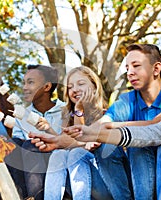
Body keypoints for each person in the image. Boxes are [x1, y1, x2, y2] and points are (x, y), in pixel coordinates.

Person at [30, 44, 161, 200]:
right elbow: (101, 125)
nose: (130, 73)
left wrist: (106, 130)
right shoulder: (126, 100)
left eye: (136, 66)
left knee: (137, 140)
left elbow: (159, 125)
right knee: (100, 146)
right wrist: (58, 141)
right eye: (127, 68)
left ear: (156, 69)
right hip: (131, 177)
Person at [37, 66, 112, 200]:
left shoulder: (107, 115)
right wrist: (48, 128)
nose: (75, 89)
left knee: (77, 153)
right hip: (76, 180)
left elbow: (81, 139)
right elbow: (64, 143)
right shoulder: (68, 116)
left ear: (94, 87)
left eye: (81, 84)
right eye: (70, 87)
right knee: (59, 153)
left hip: (103, 183)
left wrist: (79, 109)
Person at [4, 64, 65, 200]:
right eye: (24, 83)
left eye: (30, 82)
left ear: (47, 87)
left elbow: (69, 143)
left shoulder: (65, 111)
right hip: (28, 169)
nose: (25, 87)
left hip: (57, 163)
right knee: (13, 144)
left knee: (31, 145)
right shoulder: (22, 115)